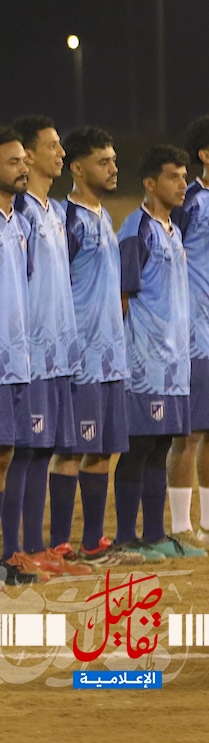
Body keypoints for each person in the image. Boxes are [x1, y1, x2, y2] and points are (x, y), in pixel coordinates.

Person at [0, 127, 63, 582]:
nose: (23, 168)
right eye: (13, 162)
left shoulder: (19, 221)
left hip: (19, 359)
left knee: (3, 455)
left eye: (25, 160)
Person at [53, 127, 141, 563]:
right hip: (80, 358)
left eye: (114, 160)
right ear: (77, 167)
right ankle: (58, 544)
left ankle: (92, 541)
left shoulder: (104, 217)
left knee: (103, 450)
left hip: (110, 357)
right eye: (103, 162)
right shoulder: (66, 219)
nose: (113, 168)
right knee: (72, 451)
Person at [115, 146, 203, 560]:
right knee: (139, 445)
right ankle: (126, 537)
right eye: (173, 177)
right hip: (144, 360)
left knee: (161, 444)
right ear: (150, 183)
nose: (182, 184)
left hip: (174, 361)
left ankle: (154, 534)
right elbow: (121, 298)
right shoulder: (137, 229)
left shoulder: (173, 231)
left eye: (184, 176)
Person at [10, 115, 86, 573]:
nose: (61, 153)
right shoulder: (19, 211)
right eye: (52, 146)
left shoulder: (56, 211)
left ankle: (38, 546)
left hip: (59, 353)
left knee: (44, 450)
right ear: (28, 154)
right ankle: (17, 547)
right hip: (31, 353)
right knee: (25, 450)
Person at [168, 116, 209, 544]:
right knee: (190, 432)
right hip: (195, 334)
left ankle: (208, 524)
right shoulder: (190, 203)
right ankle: (181, 526)